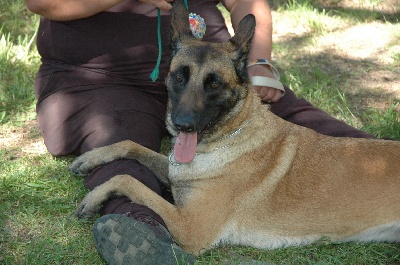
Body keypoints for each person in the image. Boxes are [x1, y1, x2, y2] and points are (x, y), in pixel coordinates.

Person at [25, 0, 375, 264]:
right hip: (105, 76)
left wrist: (260, 61)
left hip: (215, 69)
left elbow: (244, 2)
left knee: (298, 117)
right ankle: (142, 228)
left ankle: (383, 168)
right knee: (113, 131)